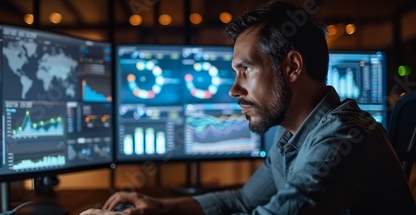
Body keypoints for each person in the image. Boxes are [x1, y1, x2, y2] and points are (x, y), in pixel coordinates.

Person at [80, 1, 415, 214]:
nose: (234, 88)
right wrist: (159, 208)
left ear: (292, 67)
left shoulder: (342, 137)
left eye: (246, 70)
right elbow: (243, 201)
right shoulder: (290, 136)